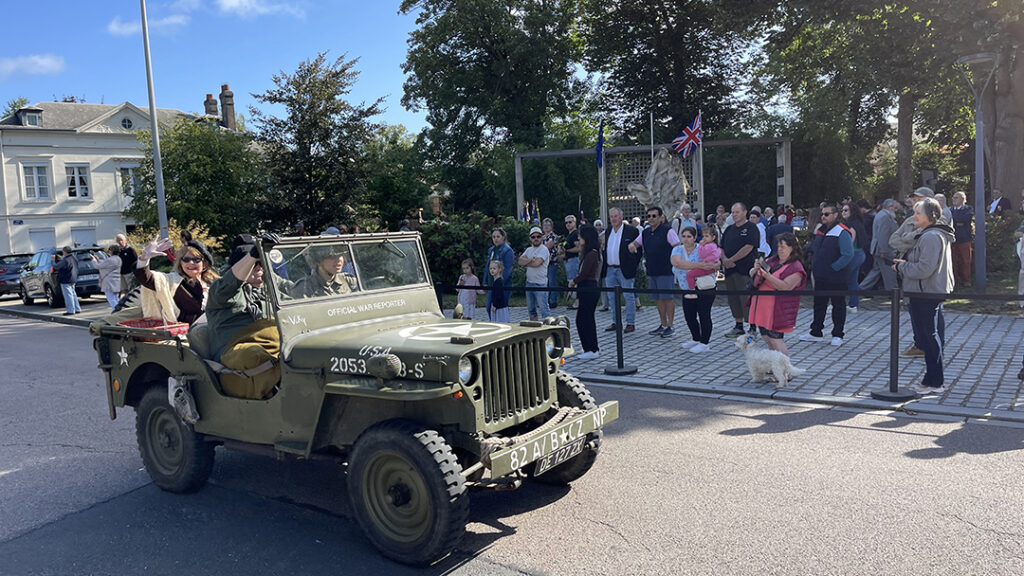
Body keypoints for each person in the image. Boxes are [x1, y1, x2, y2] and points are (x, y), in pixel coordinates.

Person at [893, 197, 954, 393]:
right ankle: (931, 379)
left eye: (918, 213)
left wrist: (902, 266)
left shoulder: (931, 237)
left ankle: (935, 382)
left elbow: (925, 268)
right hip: (923, 290)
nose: (914, 216)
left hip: (925, 291)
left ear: (931, 215)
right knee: (929, 336)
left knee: (929, 336)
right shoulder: (931, 234)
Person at [134, 235, 218, 325]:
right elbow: (146, 278)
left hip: (219, 326)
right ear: (181, 263)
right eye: (186, 259)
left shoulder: (214, 282)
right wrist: (144, 258)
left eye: (196, 259)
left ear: (204, 263)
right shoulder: (173, 281)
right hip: (189, 333)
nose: (191, 263)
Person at [801, 203, 853, 346]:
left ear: (835, 215)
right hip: (820, 275)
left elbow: (848, 254)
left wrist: (834, 267)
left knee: (838, 305)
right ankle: (816, 332)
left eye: (826, 214)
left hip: (836, 276)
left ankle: (837, 334)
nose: (823, 217)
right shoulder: (821, 230)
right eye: (822, 214)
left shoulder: (842, 231)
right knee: (819, 304)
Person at [748, 233, 807, 356]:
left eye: (783, 246)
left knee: (775, 338)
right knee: (766, 336)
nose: (779, 249)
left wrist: (767, 276)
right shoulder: (772, 260)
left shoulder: (796, 268)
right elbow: (752, 273)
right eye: (779, 246)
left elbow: (785, 287)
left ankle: (784, 370)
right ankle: (775, 364)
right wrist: (755, 269)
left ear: (792, 248)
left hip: (777, 309)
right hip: (762, 306)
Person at [628, 206, 680, 337]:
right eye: (649, 216)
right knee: (658, 299)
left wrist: (675, 262)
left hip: (666, 270)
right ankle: (663, 324)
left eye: (654, 216)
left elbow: (677, 246)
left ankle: (671, 326)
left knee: (667, 298)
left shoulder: (668, 231)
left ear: (661, 217)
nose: (651, 218)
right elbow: (635, 243)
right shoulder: (645, 232)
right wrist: (632, 246)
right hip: (652, 270)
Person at [671, 226, 720, 352]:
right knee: (689, 315)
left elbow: (716, 262)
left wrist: (713, 265)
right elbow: (677, 263)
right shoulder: (677, 249)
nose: (686, 239)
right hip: (686, 287)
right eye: (684, 236)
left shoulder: (702, 248)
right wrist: (699, 265)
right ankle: (696, 338)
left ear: (694, 238)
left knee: (704, 314)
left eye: (689, 237)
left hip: (705, 287)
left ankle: (705, 342)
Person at [720, 203, 759, 337]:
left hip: (745, 270)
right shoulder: (729, 229)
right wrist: (725, 259)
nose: (734, 215)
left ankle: (753, 327)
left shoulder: (751, 228)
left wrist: (732, 260)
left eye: (737, 212)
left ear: (745, 212)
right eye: (732, 212)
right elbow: (721, 247)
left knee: (747, 298)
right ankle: (738, 325)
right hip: (730, 270)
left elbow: (748, 247)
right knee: (733, 298)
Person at [602, 207, 642, 333]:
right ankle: (616, 322)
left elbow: (638, 250)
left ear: (621, 217)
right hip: (610, 269)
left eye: (616, 216)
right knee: (612, 297)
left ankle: (630, 323)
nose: (613, 219)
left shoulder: (632, 231)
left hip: (624, 269)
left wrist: (632, 265)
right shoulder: (608, 231)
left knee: (628, 296)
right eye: (611, 216)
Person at [569, 225, 602, 360]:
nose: (578, 238)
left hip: (589, 287)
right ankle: (590, 347)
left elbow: (585, 273)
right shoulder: (588, 253)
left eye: (581, 235)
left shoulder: (593, 253)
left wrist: (573, 281)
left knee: (584, 319)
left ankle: (591, 348)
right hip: (585, 288)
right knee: (585, 319)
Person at [859, 199, 900, 292]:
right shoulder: (885, 217)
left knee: (876, 271)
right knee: (889, 271)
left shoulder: (881, 215)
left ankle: (860, 289)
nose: (896, 210)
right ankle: (893, 292)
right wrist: (884, 250)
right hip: (884, 250)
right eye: (895, 208)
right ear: (890, 207)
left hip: (878, 248)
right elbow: (883, 234)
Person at [840, 202, 868, 312]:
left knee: (842, 280)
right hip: (859, 254)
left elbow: (849, 242)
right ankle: (853, 305)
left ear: (852, 211)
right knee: (852, 281)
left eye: (846, 210)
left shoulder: (851, 224)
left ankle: (840, 303)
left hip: (853, 255)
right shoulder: (859, 223)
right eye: (842, 210)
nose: (843, 212)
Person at [520, 226, 551, 321]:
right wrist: (531, 260)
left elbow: (537, 263)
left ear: (542, 237)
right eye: (533, 237)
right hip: (529, 283)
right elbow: (520, 261)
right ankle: (534, 329)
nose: (536, 238)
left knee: (544, 310)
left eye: (538, 236)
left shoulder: (544, 249)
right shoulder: (528, 250)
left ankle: (549, 330)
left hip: (540, 283)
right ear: (530, 238)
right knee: (531, 310)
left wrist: (527, 261)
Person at [484, 228, 514, 320]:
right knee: (489, 307)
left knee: (500, 308)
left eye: (498, 236)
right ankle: (493, 323)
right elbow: (487, 266)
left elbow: (507, 270)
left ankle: (502, 325)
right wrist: (485, 281)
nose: (495, 239)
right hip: (491, 284)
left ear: (503, 237)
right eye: (493, 237)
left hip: (501, 284)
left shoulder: (507, 250)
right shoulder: (491, 250)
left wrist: (499, 282)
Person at [950, 191, 974, 287]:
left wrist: (956, 220)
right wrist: (957, 221)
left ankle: (966, 279)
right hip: (953, 238)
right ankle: (955, 279)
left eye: (956, 197)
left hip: (964, 238)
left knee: (965, 260)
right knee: (953, 260)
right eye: (953, 197)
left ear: (963, 199)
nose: (954, 199)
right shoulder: (950, 210)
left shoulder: (968, 209)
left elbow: (965, 219)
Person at [53, 246, 80, 316]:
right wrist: (61, 259)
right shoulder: (74, 258)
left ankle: (71, 310)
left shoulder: (66, 260)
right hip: (73, 278)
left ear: (64, 252)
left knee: (68, 295)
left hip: (65, 279)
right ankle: (77, 308)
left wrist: (53, 260)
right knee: (73, 294)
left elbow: (56, 266)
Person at [94, 244, 122, 309]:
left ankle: (116, 311)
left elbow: (98, 266)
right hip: (116, 281)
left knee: (111, 298)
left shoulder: (110, 259)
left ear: (111, 251)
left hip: (109, 282)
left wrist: (94, 260)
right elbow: (106, 264)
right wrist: (98, 260)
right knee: (116, 298)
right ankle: (120, 310)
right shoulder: (118, 259)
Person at [540, 218, 560, 310]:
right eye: (545, 225)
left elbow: (547, 246)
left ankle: (553, 300)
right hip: (543, 263)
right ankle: (545, 300)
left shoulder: (553, 236)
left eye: (548, 225)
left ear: (551, 226)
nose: (546, 227)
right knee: (545, 282)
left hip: (552, 262)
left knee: (552, 281)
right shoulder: (541, 237)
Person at [562, 215, 580, 309]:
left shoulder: (575, 234)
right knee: (570, 280)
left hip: (574, 260)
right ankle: (573, 300)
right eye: (566, 222)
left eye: (570, 222)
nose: (568, 224)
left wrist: (567, 251)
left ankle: (577, 302)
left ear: (574, 222)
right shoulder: (569, 235)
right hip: (568, 260)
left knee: (574, 281)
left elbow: (578, 248)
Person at [116, 233, 137, 298]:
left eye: (121, 240)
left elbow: (136, 260)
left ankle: (133, 300)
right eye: (118, 240)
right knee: (124, 289)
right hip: (121, 273)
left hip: (129, 272)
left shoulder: (130, 250)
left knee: (131, 288)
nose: (120, 242)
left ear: (125, 240)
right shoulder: (117, 251)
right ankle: (126, 300)